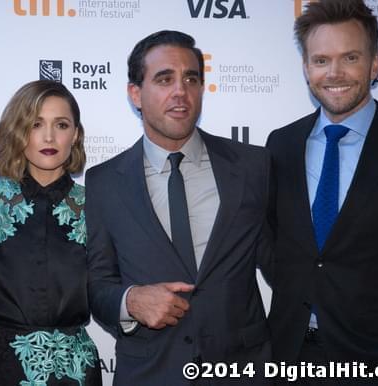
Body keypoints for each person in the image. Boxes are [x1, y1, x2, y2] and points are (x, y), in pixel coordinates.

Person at [85, 30, 273, 385]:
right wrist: (131, 301)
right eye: (164, 79)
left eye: (191, 78)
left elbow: (285, 264)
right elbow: (96, 285)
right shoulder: (104, 182)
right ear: (135, 94)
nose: (180, 92)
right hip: (151, 372)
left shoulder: (253, 166)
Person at [266, 0, 378, 384]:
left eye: (350, 57)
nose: (334, 73)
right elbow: (269, 245)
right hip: (287, 358)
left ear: (374, 64)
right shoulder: (281, 144)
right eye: (321, 60)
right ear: (306, 68)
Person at [0, 80, 102, 386]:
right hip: (4, 367)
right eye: (36, 124)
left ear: (75, 134)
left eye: (61, 124)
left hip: (76, 371)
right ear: (18, 131)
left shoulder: (96, 206)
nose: (49, 136)